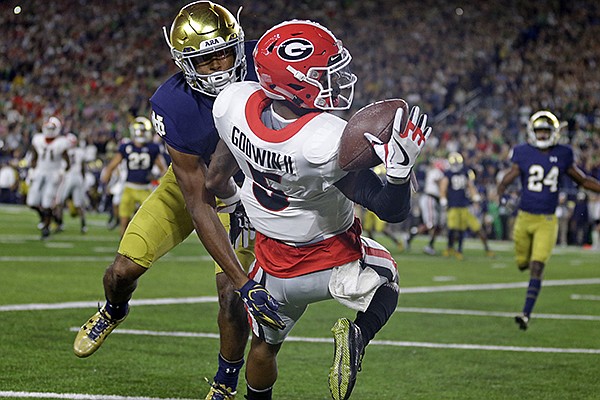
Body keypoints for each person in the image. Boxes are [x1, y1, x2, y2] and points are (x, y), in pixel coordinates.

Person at [206, 20, 431, 400]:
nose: (335, 80)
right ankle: (357, 335)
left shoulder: (233, 104)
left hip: (272, 264)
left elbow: (214, 181)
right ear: (294, 82)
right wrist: (398, 172)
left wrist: (240, 205)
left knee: (264, 348)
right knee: (387, 274)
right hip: (331, 259)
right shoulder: (323, 141)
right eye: (324, 74)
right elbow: (391, 211)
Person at [73, 3, 282, 400]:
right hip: (196, 183)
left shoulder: (265, 61)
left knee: (231, 297)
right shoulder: (174, 104)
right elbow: (199, 201)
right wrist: (243, 279)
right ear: (185, 63)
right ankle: (114, 310)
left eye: (225, 52)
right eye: (206, 59)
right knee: (121, 271)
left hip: (254, 186)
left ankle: (224, 382)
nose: (220, 65)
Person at [497, 110, 600, 330]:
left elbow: (582, 180)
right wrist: (503, 193)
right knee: (522, 263)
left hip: (547, 220)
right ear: (532, 132)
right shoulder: (522, 152)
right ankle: (526, 273)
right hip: (524, 218)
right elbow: (507, 179)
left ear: (553, 132)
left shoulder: (563, 154)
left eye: (546, 131)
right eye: (539, 131)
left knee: (537, 266)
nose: (542, 135)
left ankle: (525, 313)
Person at [100, 116, 167, 236]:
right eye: (140, 130)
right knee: (124, 222)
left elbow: (163, 170)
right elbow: (113, 165)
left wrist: (156, 179)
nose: (141, 133)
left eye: (143, 131)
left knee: (148, 222)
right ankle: (122, 248)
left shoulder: (152, 148)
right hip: (129, 188)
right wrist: (106, 178)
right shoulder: (126, 147)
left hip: (145, 188)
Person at [439, 152, 494, 260]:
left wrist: (475, 196)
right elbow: (443, 187)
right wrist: (443, 198)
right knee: (452, 228)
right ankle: (450, 248)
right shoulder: (448, 174)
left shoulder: (465, 172)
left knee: (461, 229)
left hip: (464, 204)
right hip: (453, 204)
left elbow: (470, 185)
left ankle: (458, 250)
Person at [25, 116, 72, 239]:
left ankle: (46, 228)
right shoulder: (38, 139)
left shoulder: (61, 142)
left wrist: (62, 171)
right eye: (48, 128)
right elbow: (35, 156)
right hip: (40, 172)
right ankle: (49, 218)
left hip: (53, 173)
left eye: (52, 128)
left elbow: (67, 162)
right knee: (31, 202)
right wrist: (32, 169)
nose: (50, 130)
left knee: (47, 202)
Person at [406, 158, 445, 255]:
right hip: (430, 198)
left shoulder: (433, 172)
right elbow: (440, 183)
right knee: (430, 224)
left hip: (433, 199)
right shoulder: (437, 172)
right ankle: (410, 236)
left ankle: (429, 245)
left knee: (437, 225)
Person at [56, 132, 90, 234]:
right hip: (78, 178)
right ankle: (83, 226)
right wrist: (83, 179)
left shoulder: (64, 152)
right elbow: (83, 167)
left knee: (60, 202)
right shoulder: (80, 152)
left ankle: (60, 224)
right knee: (78, 204)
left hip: (68, 177)